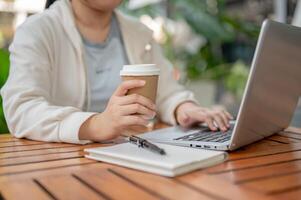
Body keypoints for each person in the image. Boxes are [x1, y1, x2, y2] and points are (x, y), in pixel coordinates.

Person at [0, 0, 233, 144]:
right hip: (61, 166)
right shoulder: (37, 31)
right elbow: (21, 109)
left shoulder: (139, 32)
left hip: (135, 153)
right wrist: (96, 125)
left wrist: (185, 109)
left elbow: (166, 94)